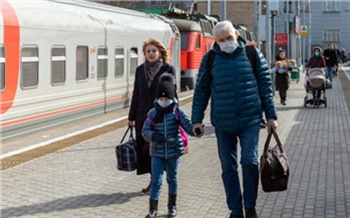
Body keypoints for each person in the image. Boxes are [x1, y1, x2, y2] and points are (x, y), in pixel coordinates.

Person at [191, 20, 278, 218]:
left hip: (250, 120)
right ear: (216, 41)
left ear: (237, 36)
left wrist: (271, 116)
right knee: (228, 168)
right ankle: (235, 210)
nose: (226, 42)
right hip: (223, 123)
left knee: (249, 162)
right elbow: (201, 91)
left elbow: (265, 85)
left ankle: (250, 206)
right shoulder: (210, 59)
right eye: (221, 40)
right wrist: (197, 120)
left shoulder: (252, 54)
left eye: (229, 38)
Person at [128, 38, 177, 194]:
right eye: (148, 51)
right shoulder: (140, 70)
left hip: (161, 115)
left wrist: (175, 115)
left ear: (160, 52)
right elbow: (136, 93)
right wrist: (131, 117)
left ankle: (157, 182)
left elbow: (173, 94)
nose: (150, 53)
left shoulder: (168, 69)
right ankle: (153, 179)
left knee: (157, 149)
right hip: (143, 116)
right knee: (145, 149)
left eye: (153, 51)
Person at [142, 74, 194, 218]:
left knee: (172, 179)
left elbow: (188, 126)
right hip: (157, 152)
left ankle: (172, 206)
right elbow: (145, 131)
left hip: (174, 151)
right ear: (157, 98)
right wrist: (153, 136)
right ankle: (153, 209)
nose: (164, 101)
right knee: (156, 181)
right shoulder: (153, 113)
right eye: (161, 99)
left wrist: (196, 129)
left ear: (172, 98)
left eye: (167, 99)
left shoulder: (177, 112)